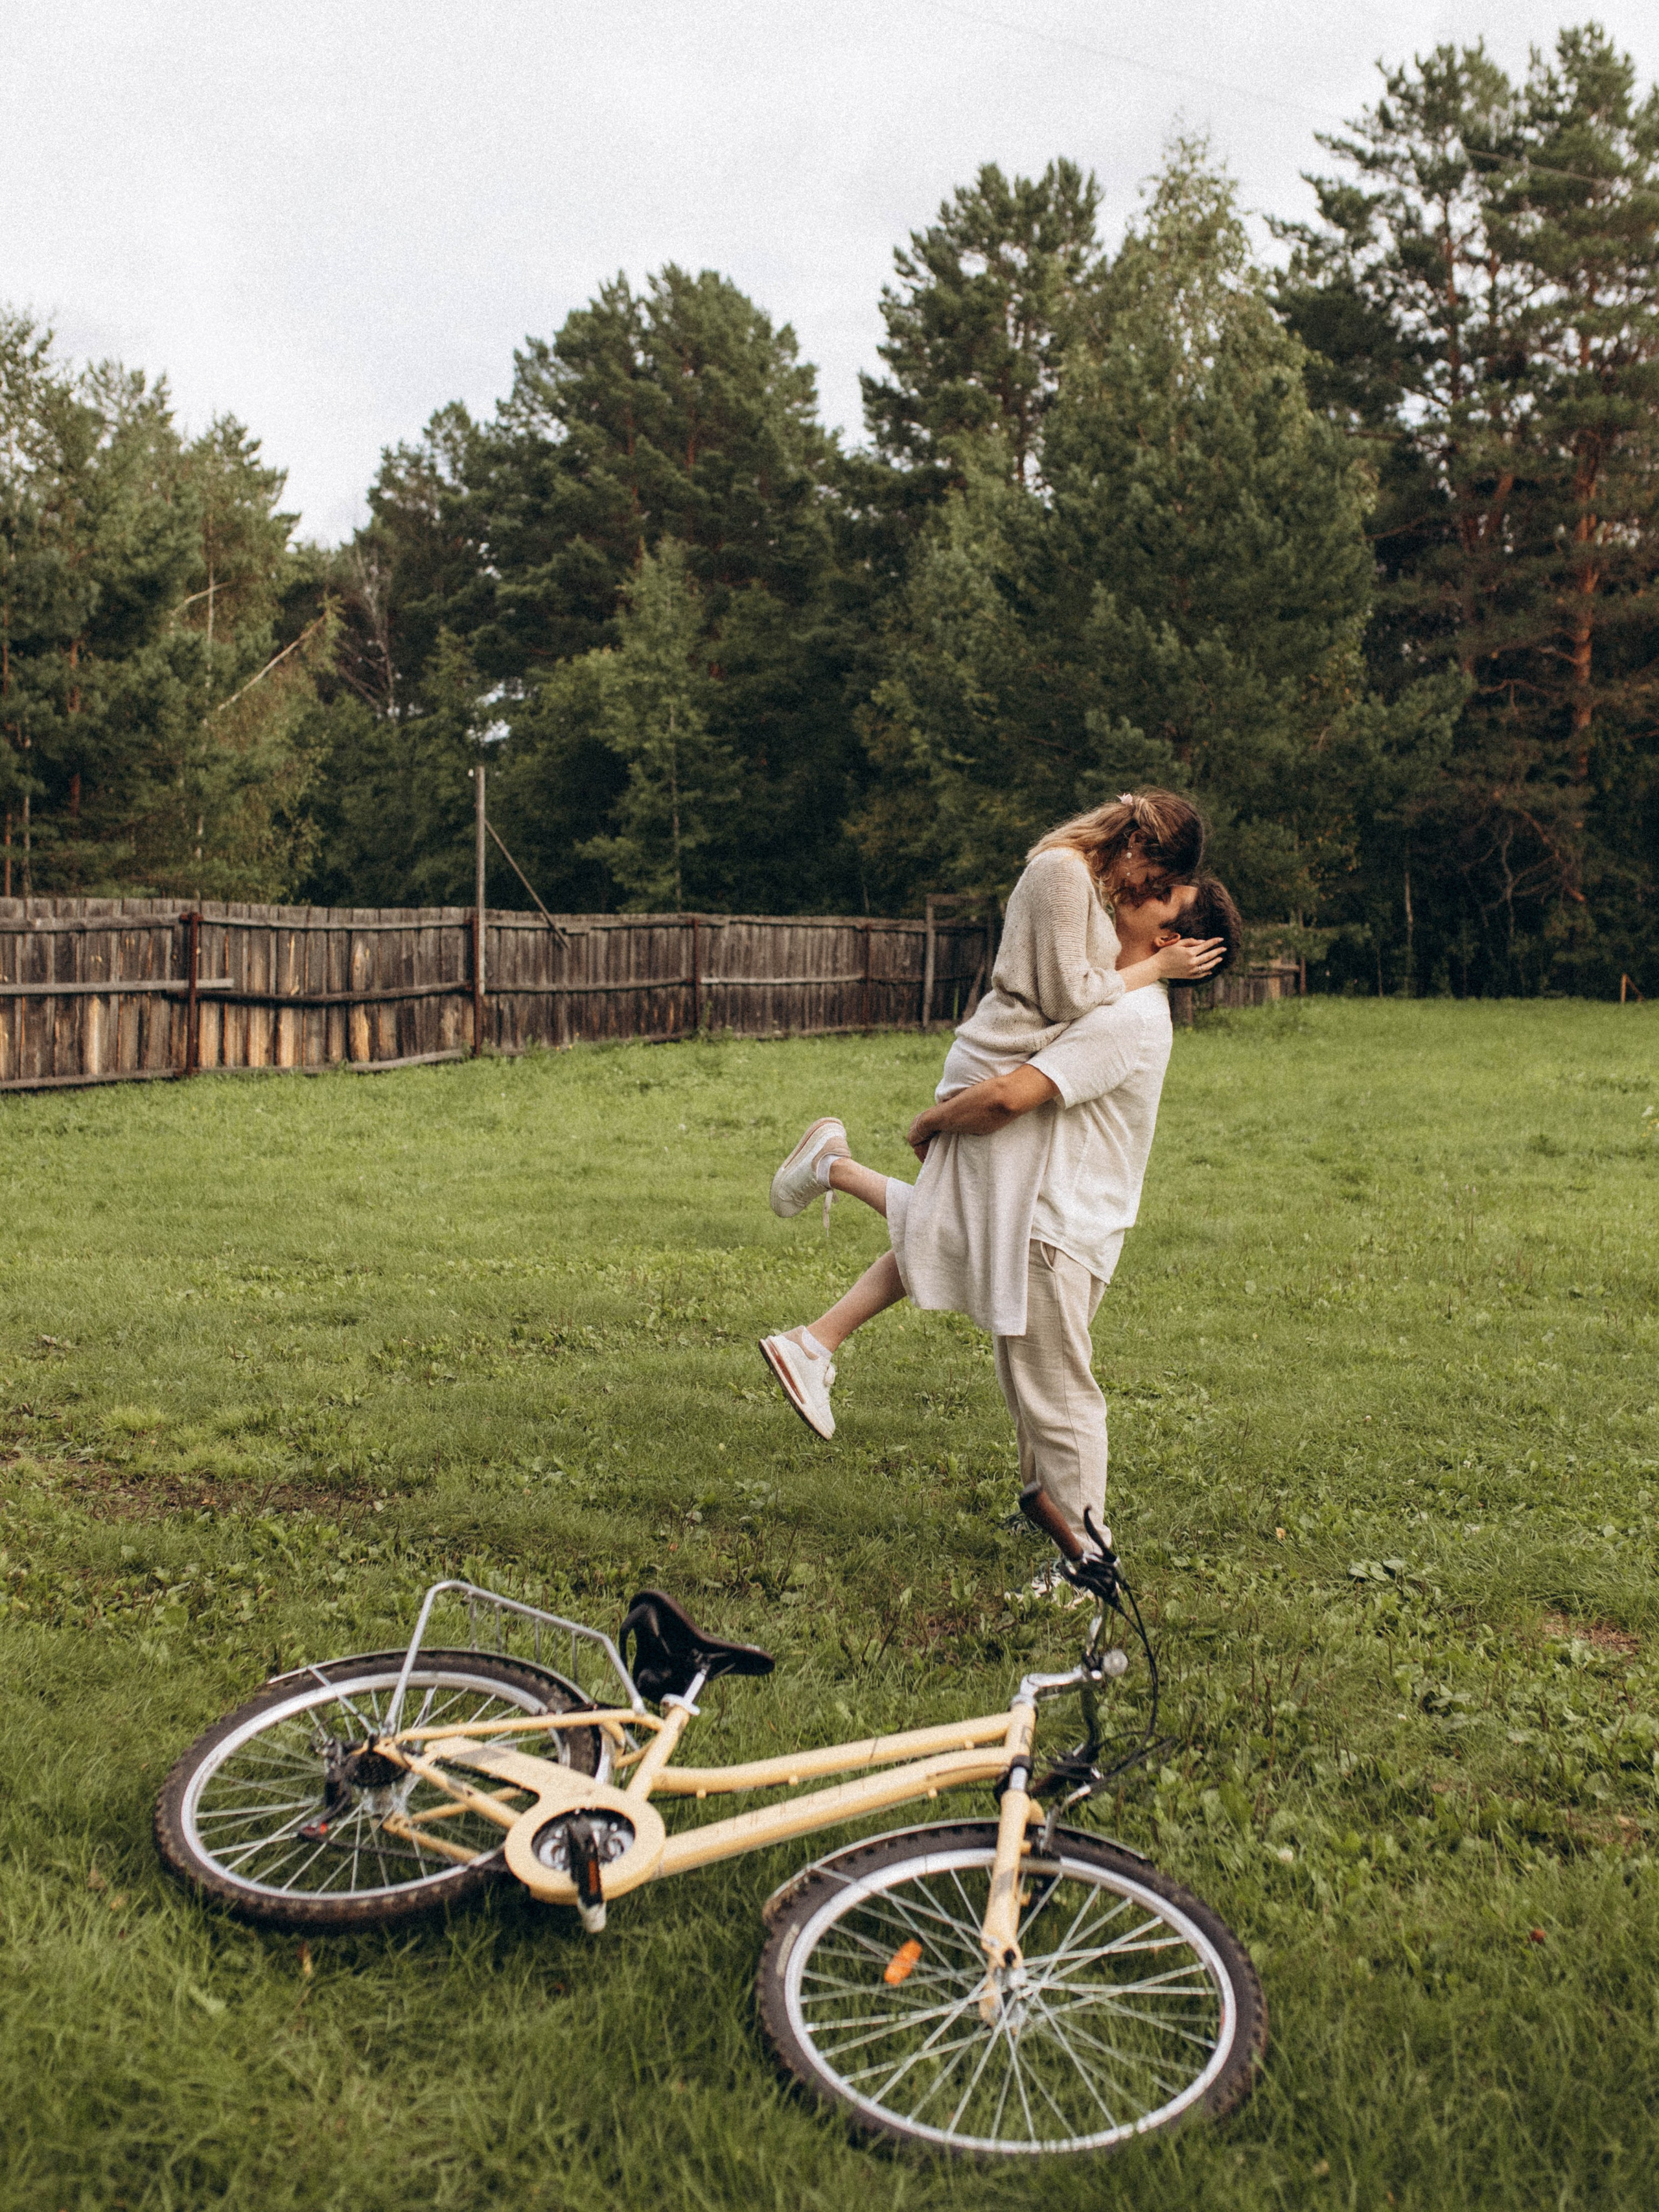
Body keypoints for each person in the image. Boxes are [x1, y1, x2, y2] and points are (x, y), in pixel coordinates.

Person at [758, 875, 1242, 1567]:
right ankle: (1046, 1511)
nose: (1137, 885)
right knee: (1024, 1373)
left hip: (1055, 1231)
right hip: (1040, 1216)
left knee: (1058, 1398)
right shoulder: (1114, 992)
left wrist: (930, 1118)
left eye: (1160, 892)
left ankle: (1088, 1559)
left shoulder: (1128, 1018)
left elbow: (1013, 1094)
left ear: (1169, 938)